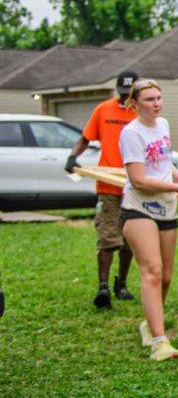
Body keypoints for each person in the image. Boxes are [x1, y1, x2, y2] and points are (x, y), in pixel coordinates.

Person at [118, 78, 178, 361]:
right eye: (150, 99)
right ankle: (159, 342)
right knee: (152, 271)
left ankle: (150, 324)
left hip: (165, 205)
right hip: (140, 206)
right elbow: (138, 179)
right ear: (135, 103)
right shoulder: (132, 133)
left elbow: (162, 163)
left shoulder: (162, 125)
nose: (157, 104)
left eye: (159, 98)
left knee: (166, 276)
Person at [65, 70, 139, 309]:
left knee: (130, 240)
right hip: (108, 185)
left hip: (135, 187)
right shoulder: (103, 110)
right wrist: (72, 156)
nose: (124, 99)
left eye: (129, 95)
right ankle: (103, 288)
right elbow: (85, 138)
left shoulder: (143, 114)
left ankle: (122, 284)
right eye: (122, 94)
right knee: (108, 237)